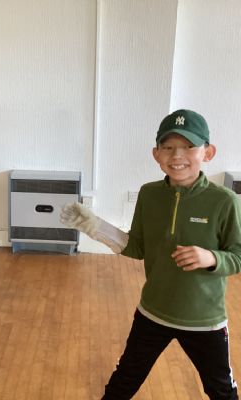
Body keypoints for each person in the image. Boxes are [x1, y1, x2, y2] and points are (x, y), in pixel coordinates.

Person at [60, 109, 241, 400]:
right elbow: (138, 247)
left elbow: (238, 256)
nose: (177, 155)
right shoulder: (149, 194)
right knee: (123, 381)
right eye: (168, 147)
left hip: (205, 320)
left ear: (208, 153)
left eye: (188, 146)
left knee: (221, 391)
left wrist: (212, 258)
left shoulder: (225, 201)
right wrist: (96, 227)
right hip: (153, 313)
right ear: (156, 154)